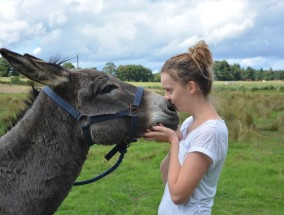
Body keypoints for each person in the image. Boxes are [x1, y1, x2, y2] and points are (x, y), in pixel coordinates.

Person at [143, 40, 228, 214]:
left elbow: (178, 195)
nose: (166, 97)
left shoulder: (210, 132)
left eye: (169, 90)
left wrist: (174, 141)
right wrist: (176, 141)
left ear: (190, 87)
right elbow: (167, 178)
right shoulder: (190, 123)